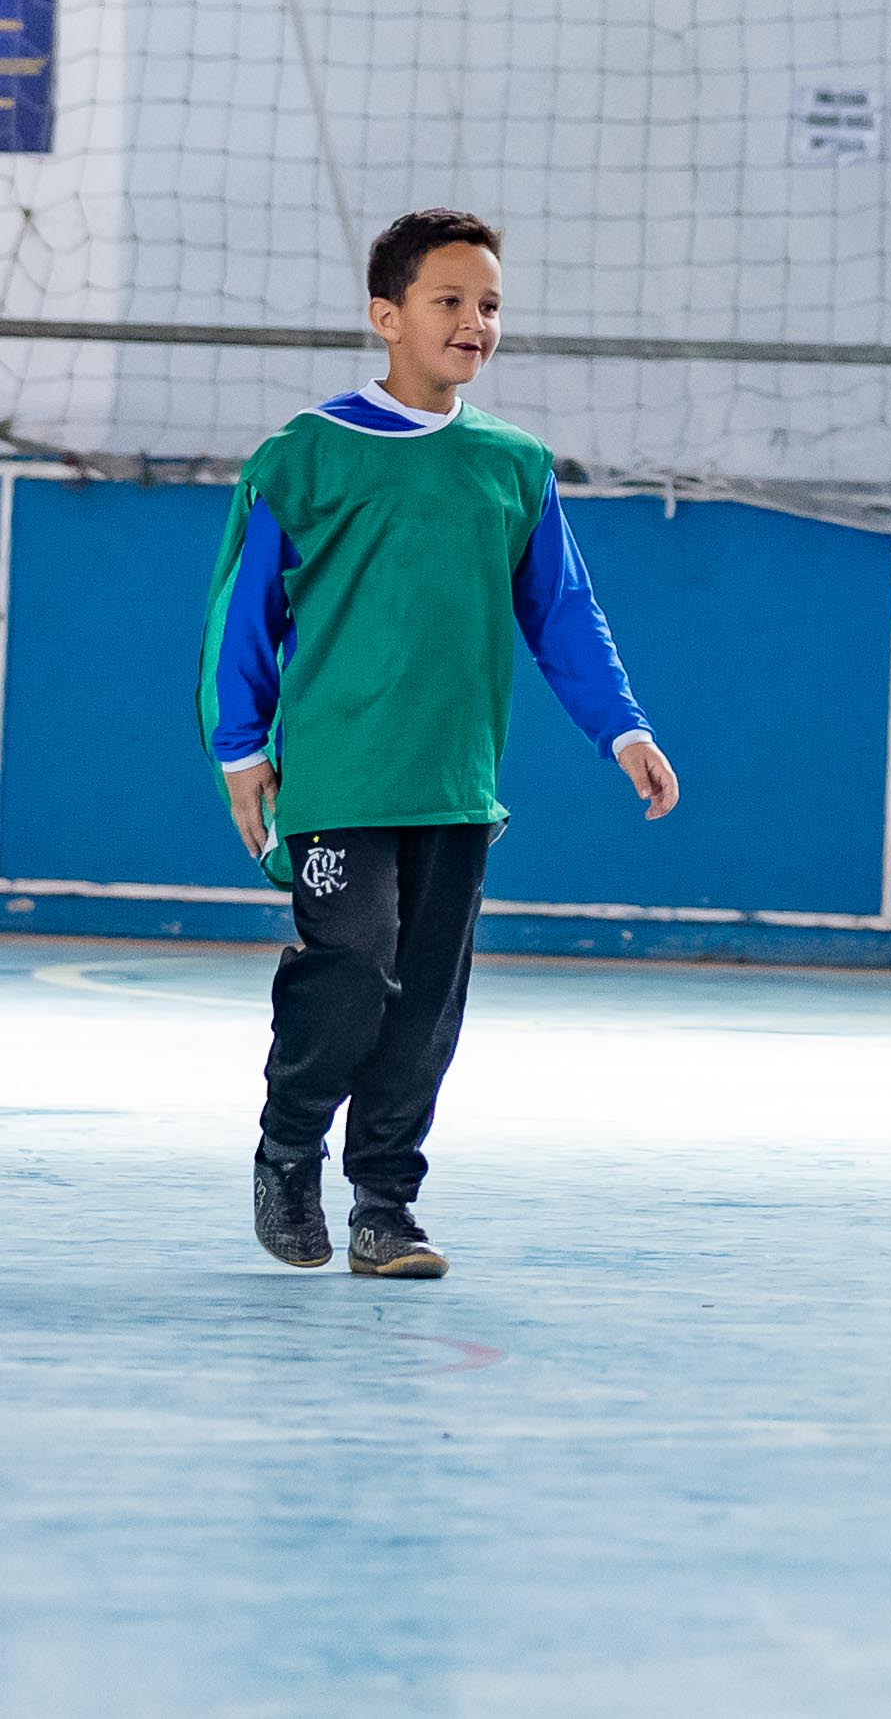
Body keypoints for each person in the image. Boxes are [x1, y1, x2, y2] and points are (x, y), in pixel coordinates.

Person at [202, 208, 682, 1281]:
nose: (476, 321)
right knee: (350, 967)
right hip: (337, 777)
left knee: (424, 1003)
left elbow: (564, 613)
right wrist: (240, 752)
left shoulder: (513, 465)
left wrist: (623, 727)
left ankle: (385, 1206)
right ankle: (288, 1148)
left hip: (456, 784)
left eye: (491, 304)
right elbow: (241, 618)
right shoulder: (303, 455)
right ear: (387, 316)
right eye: (450, 300)